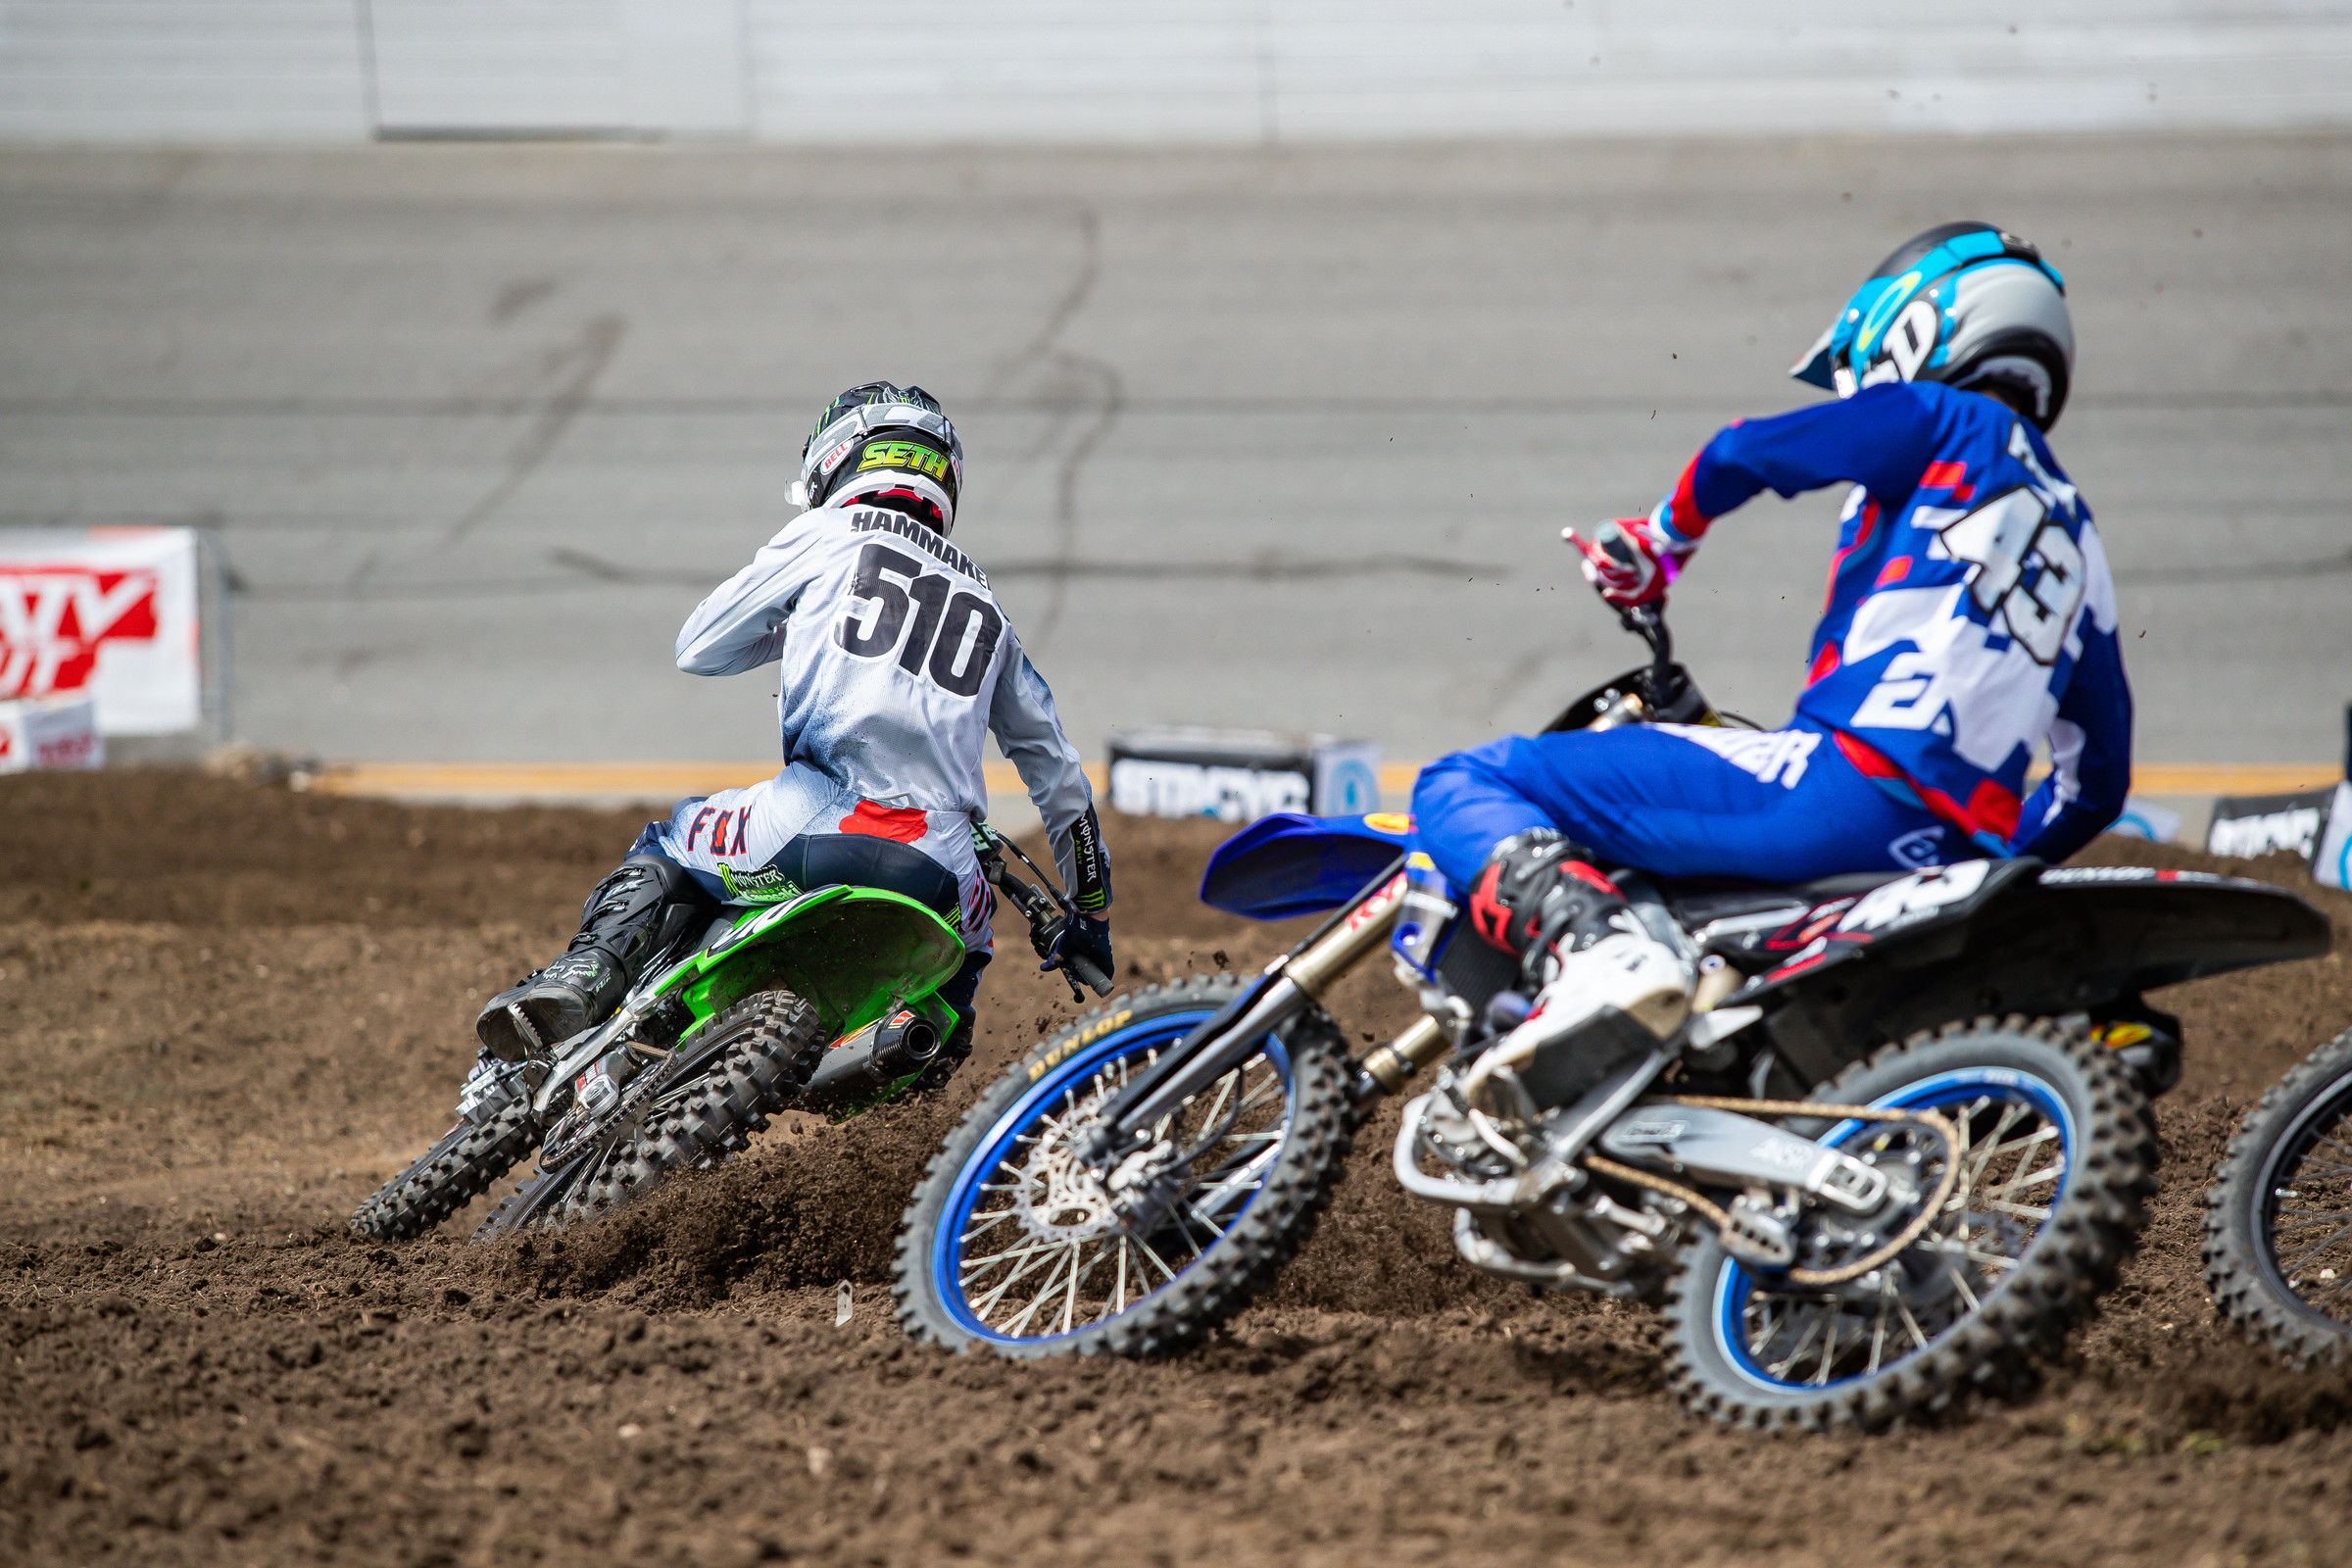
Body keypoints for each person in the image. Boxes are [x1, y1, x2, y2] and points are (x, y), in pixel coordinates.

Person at [1414, 221, 2130, 1050]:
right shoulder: (2083, 546)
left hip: (1835, 787)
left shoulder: (1950, 420)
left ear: (1921, 323)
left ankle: (1600, 951)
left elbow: (1745, 450)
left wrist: (1660, 542)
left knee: (1467, 778)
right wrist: (2000, 866)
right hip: (1954, 854)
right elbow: (2095, 784)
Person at [474, 382, 1112, 1079]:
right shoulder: (990, 609)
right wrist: (1090, 915)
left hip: (814, 821)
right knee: (969, 959)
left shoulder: (828, 533)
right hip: (940, 865)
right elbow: (1063, 784)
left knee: (669, 842)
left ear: (838, 457)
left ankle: (586, 976)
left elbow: (700, 647)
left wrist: (807, 623)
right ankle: (904, 1096)